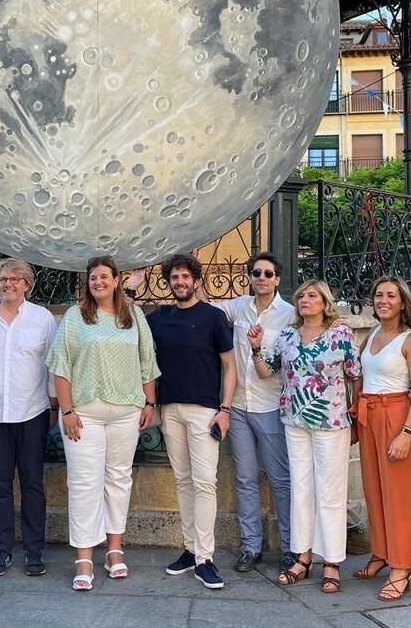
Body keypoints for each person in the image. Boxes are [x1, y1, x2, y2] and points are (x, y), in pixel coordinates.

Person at [46, 255, 159, 591]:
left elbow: (147, 360)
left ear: (116, 280)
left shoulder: (133, 315)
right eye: (93, 277)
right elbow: (60, 366)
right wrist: (66, 411)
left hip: (127, 410)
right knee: (84, 482)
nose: (99, 282)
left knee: (119, 479)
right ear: (88, 282)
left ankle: (114, 549)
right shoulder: (75, 317)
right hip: (85, 412)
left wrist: (149, 401)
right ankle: (83, 556)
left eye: (104, 277)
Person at [250, 279, 361, 593]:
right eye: (301, 296)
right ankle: (302, 557)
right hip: (294, 421)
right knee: (301, 490)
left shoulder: (340, 334)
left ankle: (332, 561)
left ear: (325, 302)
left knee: (330, 492)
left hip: (332, 422)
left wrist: (354, 417)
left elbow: (355, 376)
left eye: (312, 296)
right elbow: (265, 371)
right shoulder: (287, 334)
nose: (304, 300)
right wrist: (256, 348)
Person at [144, 253, 235, 589]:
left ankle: (205, 558)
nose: (180, 282)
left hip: (204, 411)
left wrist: (224, 410)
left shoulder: (213, 317)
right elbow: (121, 318)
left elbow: (230, 366)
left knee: (204, 482)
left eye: (185, 277)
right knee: (182, 480)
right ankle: (189, 548)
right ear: (169, 282)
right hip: (170, 409)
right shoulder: (161, 317)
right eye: (174, 278)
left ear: (196, 281)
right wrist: (132, 286)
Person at [0, 258, 58, 578]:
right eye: (4, 279)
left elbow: (52, 366)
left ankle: (34, 550)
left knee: (33, 484)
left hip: (32, 412)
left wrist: (54, 407)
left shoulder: (43, 319)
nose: (9, 284)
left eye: (16, 280)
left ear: (27, 285)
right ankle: (2, 550)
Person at [207, 253, 295, 572]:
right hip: (239, 405)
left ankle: (291, 547)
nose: (261, 277)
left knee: (280, 479)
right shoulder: (239, 306)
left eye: (267, 273)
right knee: (244, 479)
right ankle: (250, 546)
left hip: (270, 406)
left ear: (277, 279)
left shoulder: (289, 314)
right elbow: (206, 308)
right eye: (256, 272)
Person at [353, 276, 411, 600]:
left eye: (390, 295)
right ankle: (382, 553)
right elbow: (361, 377)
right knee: (375, 491)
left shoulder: (410, 340)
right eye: (378, 294)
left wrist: (407, 433)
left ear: (402, 303)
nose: (383, 300)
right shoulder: (371, 334)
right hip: (370, 417)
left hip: (397, 416)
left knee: (400, 496)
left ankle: (402, 566)